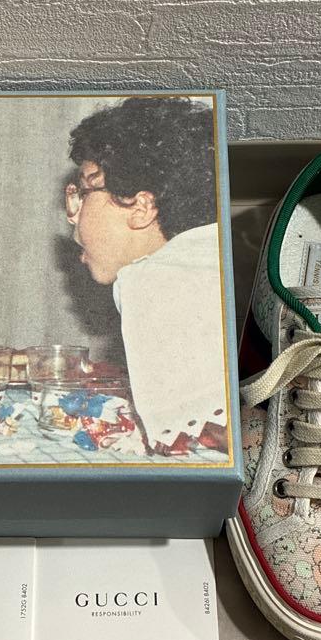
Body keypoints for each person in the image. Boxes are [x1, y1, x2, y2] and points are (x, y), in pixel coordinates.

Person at [65, 96, 228, 454]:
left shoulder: (150, 281)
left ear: (141, 207)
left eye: (84, 194)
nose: (73, 217)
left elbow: (226, 437)